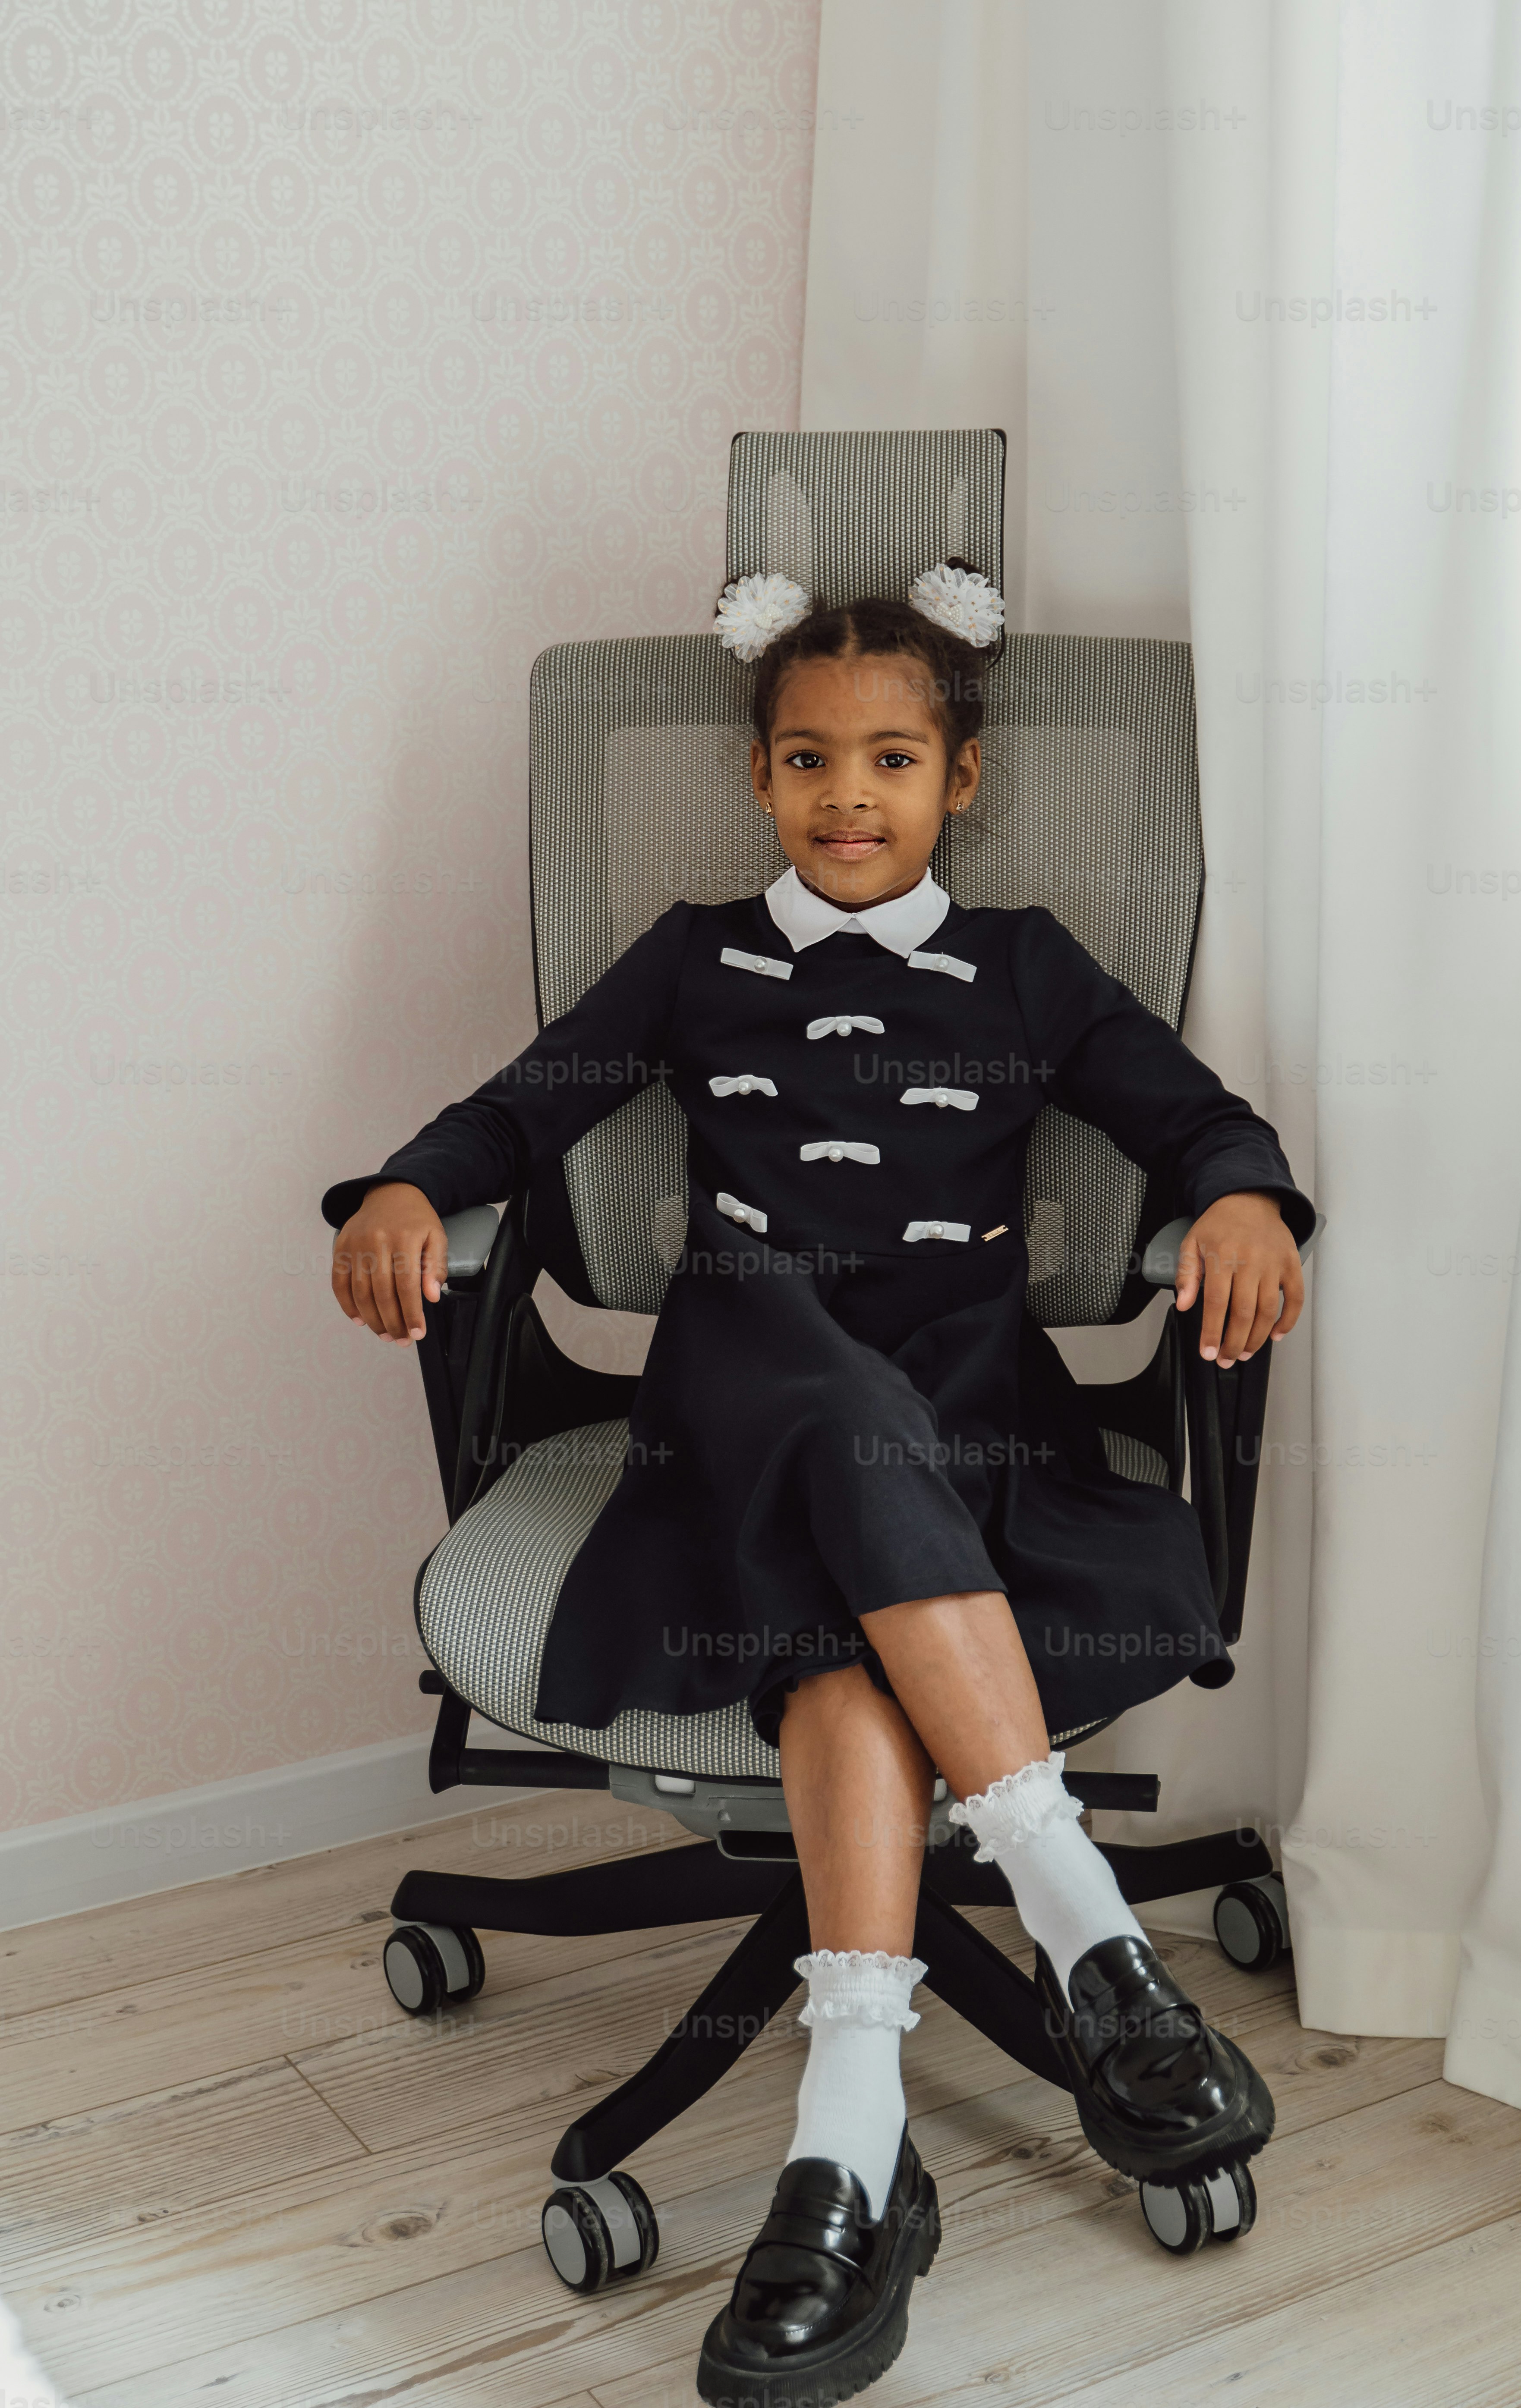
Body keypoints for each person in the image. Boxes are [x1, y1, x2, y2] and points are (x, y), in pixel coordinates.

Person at [325, 558, 1313, 2408]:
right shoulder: (699, 955)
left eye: (890, 759)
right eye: (805, 759)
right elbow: (521, 1107)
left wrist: (1243, 1196)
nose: (847, 793)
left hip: (962, 1402)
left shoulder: (1023, 965)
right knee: (796, 1370)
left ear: (962, 781)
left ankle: (849, 2153)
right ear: (761, 780)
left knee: (850, 1638)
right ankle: (1083, 1918)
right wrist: (400, 1184)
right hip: (741, 1378)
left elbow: (1197, 1115)